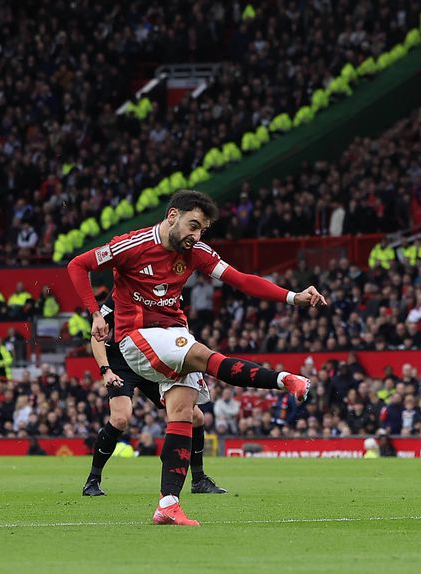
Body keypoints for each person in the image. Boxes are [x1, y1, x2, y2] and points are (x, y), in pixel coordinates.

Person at [68, 189, 327, 526]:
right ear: (172, 216)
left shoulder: (197, 252)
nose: (195, 236)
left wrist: (294, 297)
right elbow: (78, 265)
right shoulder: (130, 245)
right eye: (192, 226)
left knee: (184, 413)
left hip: (175, 332)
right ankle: (284, 380)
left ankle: (168, 503)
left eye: (202, 230)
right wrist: (95, 314)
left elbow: (242, 281)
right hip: (135, 337)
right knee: (203, 356)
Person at [82, 292, 226, 496]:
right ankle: (92, 480)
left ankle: (199, 480)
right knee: (120, 418)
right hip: (121, 362)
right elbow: (97, 337)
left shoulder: (171, 294)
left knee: (195, 417)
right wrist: (106, 370)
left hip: (153, 359)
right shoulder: (120, 296)